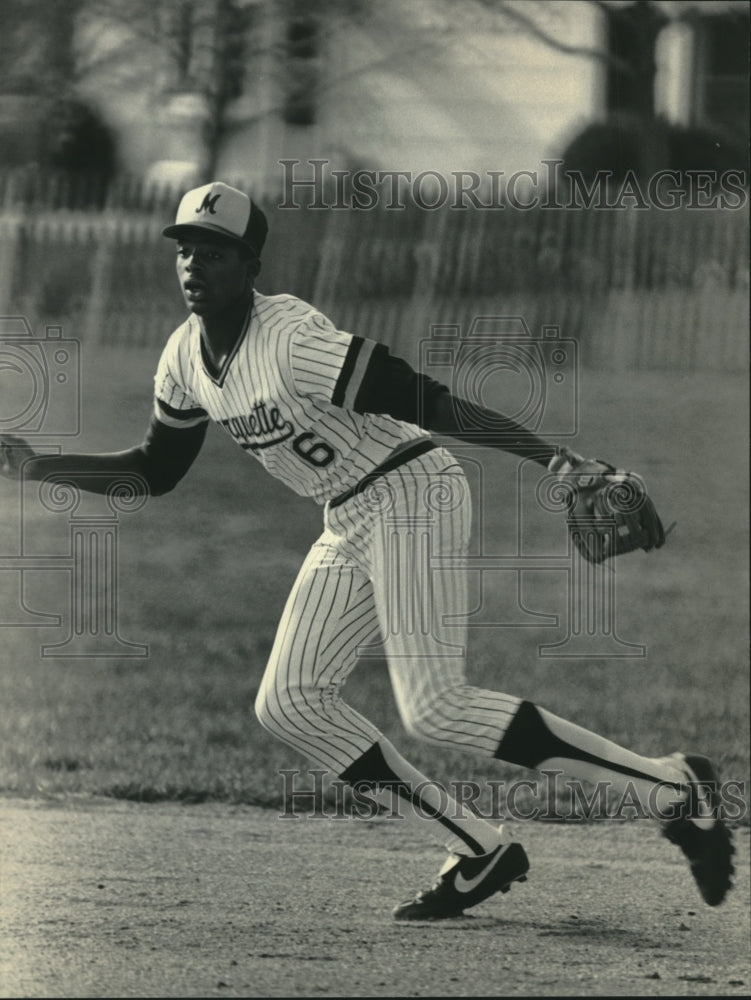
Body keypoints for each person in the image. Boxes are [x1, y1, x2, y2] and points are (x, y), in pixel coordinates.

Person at [0, 181, 733, 919]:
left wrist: (552, 459)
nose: (194, 264)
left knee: (436, 707)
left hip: (414, 491)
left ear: (251, 265)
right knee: (287, 703)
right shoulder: (184, 359)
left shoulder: (292, 341)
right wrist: (40, 465)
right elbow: (156, 469)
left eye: (215, 252)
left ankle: (672, 789)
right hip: (348, 515)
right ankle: (479, 848)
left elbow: (423, 396)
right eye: (185, 249)